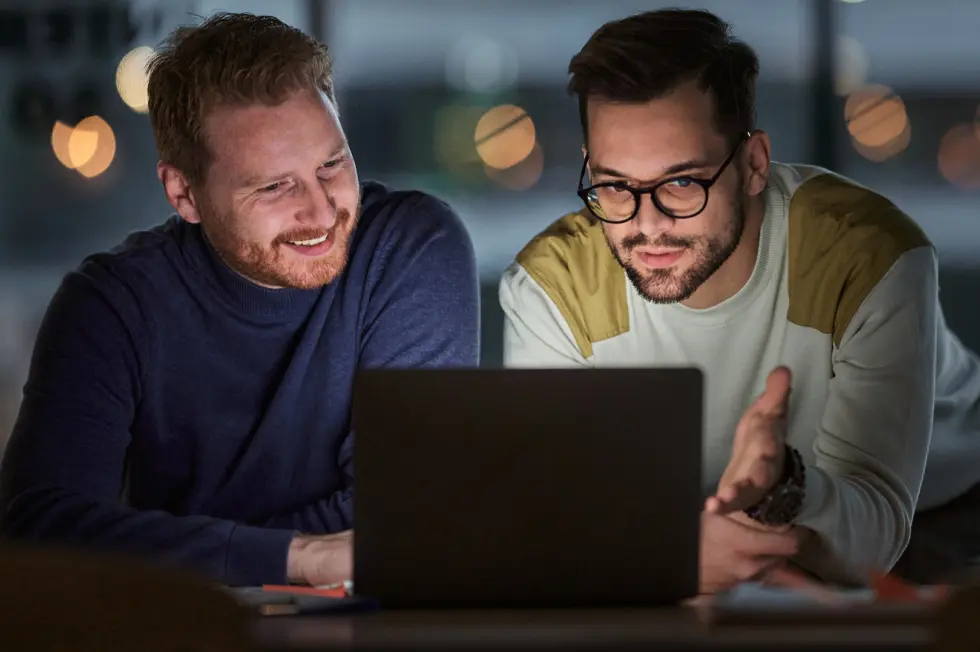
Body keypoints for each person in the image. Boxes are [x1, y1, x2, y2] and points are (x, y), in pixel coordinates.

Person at [499, 8, 980, 590]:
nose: (648, 225)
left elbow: (875, 533)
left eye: (682, 182)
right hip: (701, 530)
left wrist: (782, 486)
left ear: (753, 165)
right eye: (615, 185)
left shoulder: (868, 255)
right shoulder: (551, 288)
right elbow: (552, 519)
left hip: (939, 514)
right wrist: (668, 550)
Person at [0, 13, 479, 587]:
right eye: (275, 186)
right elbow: (38, 530)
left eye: (333, 164)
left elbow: (405, 509)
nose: (323, 212)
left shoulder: (410, 246)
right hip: (191, 632)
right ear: (185, 194)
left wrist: (168, 548)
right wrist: (299, 557)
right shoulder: (112, 305)